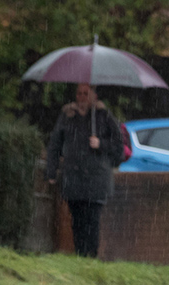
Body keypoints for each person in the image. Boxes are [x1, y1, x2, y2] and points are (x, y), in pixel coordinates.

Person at [46, 83, 123, 257]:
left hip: (96, 179)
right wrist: (51, 172)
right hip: (73, 178)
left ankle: (91, 256)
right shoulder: (67, 116)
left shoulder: (104, 116)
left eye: (86, 94)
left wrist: (101, 144)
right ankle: (80, 255)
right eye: (79, 94)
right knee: (77, 220)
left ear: (94, 96)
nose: (81, 97)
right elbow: (55, 145)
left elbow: (119, 146)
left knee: (92, 220)